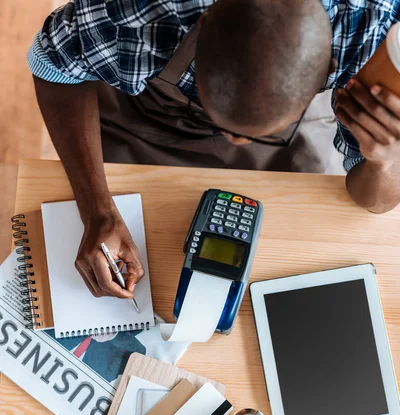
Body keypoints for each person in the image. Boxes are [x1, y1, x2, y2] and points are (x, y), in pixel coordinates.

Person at [28, 0, 400, 301]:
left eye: (248, 131)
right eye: (227, 122)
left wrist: (384, 161)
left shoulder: (377, 37)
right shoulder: (144, 10)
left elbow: (376, 202)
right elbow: (51, 64)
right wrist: (98, 211)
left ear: (331, 70)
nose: (233, 144)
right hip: (149, 117)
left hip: (290, 141)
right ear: (199, 26)